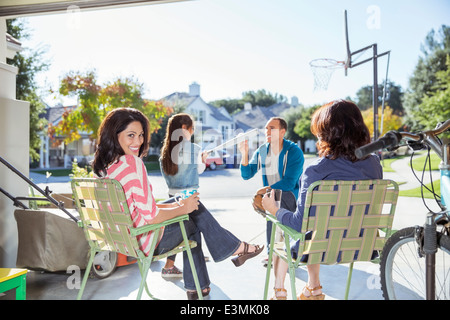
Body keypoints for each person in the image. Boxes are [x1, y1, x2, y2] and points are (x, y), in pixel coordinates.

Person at [92, 108, 263, 300]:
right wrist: (183, 208)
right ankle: (227, 256)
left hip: (120, 239)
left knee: (188, 208)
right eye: (130, 135)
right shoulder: (132, 164)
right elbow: (153, 217)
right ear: (114, 135)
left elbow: (140, 209)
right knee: (193, 217)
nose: (138, 141)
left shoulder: (104, 168)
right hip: (143, 241)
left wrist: (180, 205)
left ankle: (204, 282)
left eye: (140, 135)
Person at [261, 100, 383, 300]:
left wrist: (273, 209)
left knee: (284, 231)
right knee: (318, 227)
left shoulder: (316, 170)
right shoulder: (374, 164)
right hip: (363, 246)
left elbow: (299, 224)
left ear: (328, 134)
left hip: (319, 248)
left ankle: (279, 291)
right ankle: (313, 288)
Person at [238, 117, 304, 264]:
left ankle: (291, 250)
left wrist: (266, 188)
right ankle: (272, 251)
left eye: (271, 128)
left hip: (291, 197)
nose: (267, 131)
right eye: (266, 128)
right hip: (273, 196)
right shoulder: (263, 150)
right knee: (270, 199)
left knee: (275, 196)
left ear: (282, 132)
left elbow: (289, 183)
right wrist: (244, 153)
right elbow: (246, 174)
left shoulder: (294, 152)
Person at [158, 113, 208, 278]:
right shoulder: (194, 149)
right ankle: (196, 270)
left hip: (172, 198)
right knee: (192, 231)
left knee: (180, 229)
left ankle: (169, 265)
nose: (192, 132)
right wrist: (203, 160)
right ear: (185, 128)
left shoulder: (165, 152)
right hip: (189, 198)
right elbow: (199, 170)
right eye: (192, 128)